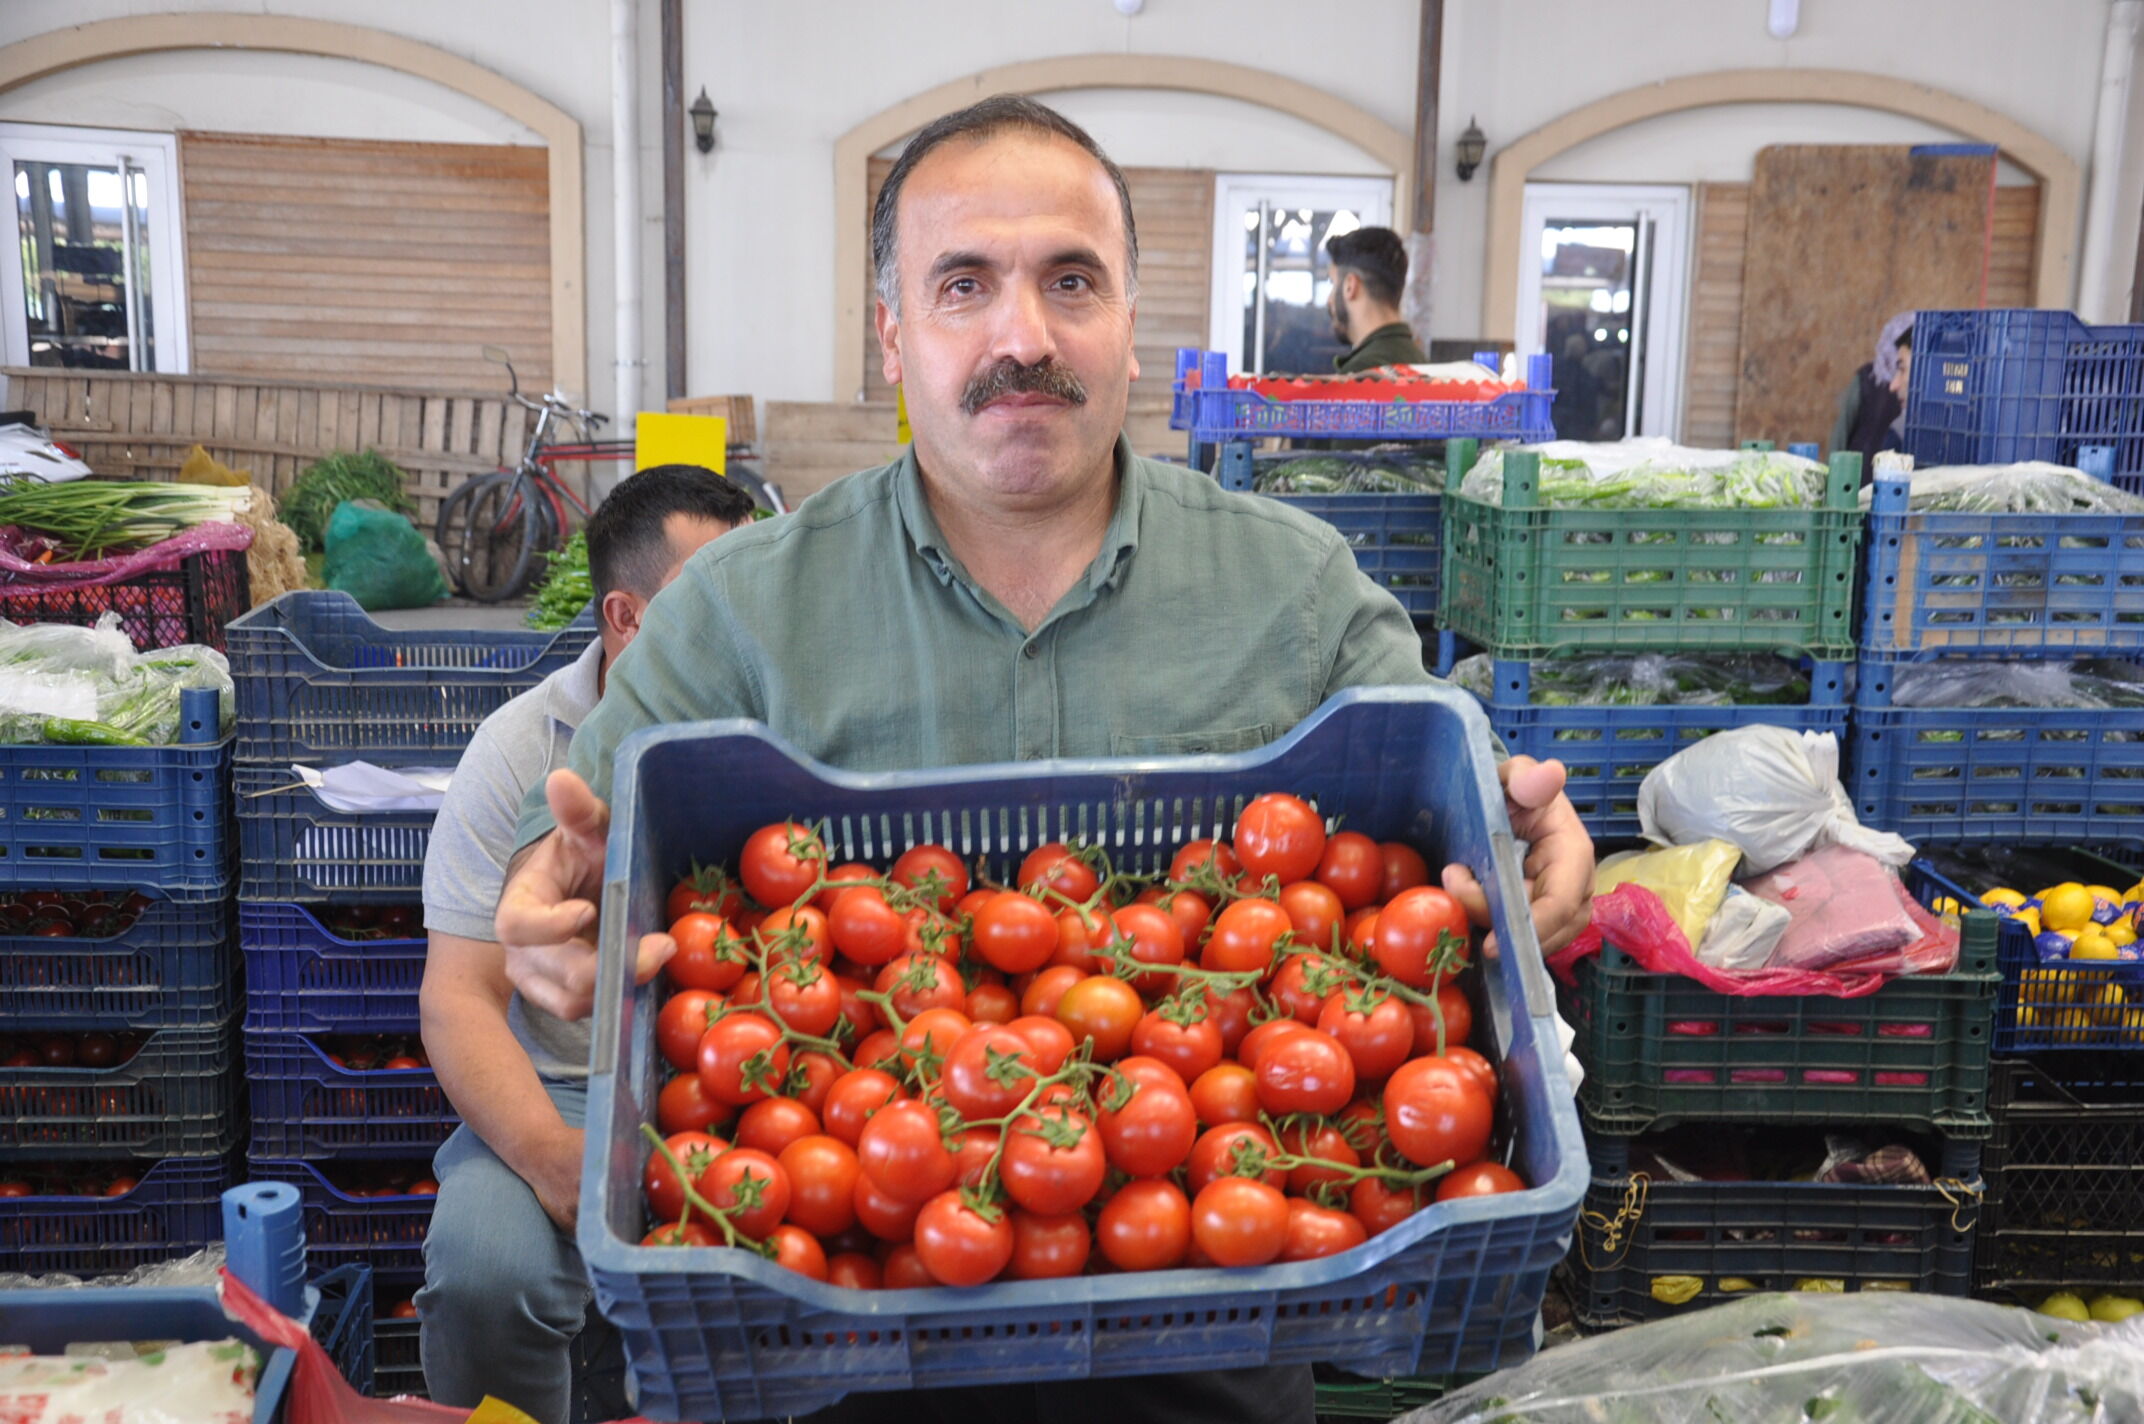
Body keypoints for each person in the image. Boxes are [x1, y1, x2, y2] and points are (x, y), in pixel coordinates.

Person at [495, 95, 1594, 1424]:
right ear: (892, 333)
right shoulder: (736, 608)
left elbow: (1449, 830)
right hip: (823, 1372)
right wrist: (555, 925)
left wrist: (1526, 842)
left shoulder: (1293, 586)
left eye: (1071, 281)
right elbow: (577, 873)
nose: (1024, 335)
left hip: (1214, 1354)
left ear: (1133, 322)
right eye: (965, 284)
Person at [415, 463, 756, 1421]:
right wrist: (544, 1151)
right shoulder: (523, 749)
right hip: (558, 1089)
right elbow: (458, 996)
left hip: (743, 1081)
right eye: (714, 605)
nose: (748, 632)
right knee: (487, 1271)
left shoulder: (779, 728)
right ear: (627, 618)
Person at [1325, 225, 1429, 372]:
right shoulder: (1419, 360)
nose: (1329, 300)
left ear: (1350, 286)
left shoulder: (1360, 373)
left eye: (1333, 283)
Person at [1830, 313, 1914, 468]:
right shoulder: (1867, 378)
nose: (1893, 385)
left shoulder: (1911, 423)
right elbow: (1841, 435)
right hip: (1860, 476)